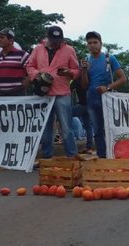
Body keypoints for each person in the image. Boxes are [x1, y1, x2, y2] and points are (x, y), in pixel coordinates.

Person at [26, 25, 81, 159]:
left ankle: (72, 156)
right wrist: (38, 75)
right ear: (48, 38)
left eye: (59, 40)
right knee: (46, 127)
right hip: (44, 93)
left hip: (62, 93)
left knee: (66, 127)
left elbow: (77, 70)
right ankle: (46, 156)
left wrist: (69, 72)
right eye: (54, 40)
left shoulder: (69, 50)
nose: (56, 43)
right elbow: (29, 65)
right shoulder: (38, 49)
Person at [80, 31, 127, 158]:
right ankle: (102, 157)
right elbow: (84, 86)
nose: (92, 45)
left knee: (112, 128)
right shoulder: (86, 61)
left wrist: (108, 87)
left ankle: (117, 155)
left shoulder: (109, 58)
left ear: (101, 44)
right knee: (97, 130)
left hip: (107, 98)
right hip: (91, 98)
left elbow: (123, 78)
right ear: (87, 45)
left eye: (95, 42)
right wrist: (83, 71)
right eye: (89, 43)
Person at [0, 28, 30, 96]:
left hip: (17, 95)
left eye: (2, 37)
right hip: (0, 96)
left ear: (10, 40)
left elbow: (31, 73)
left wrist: (23, 87)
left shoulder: (22, 55)